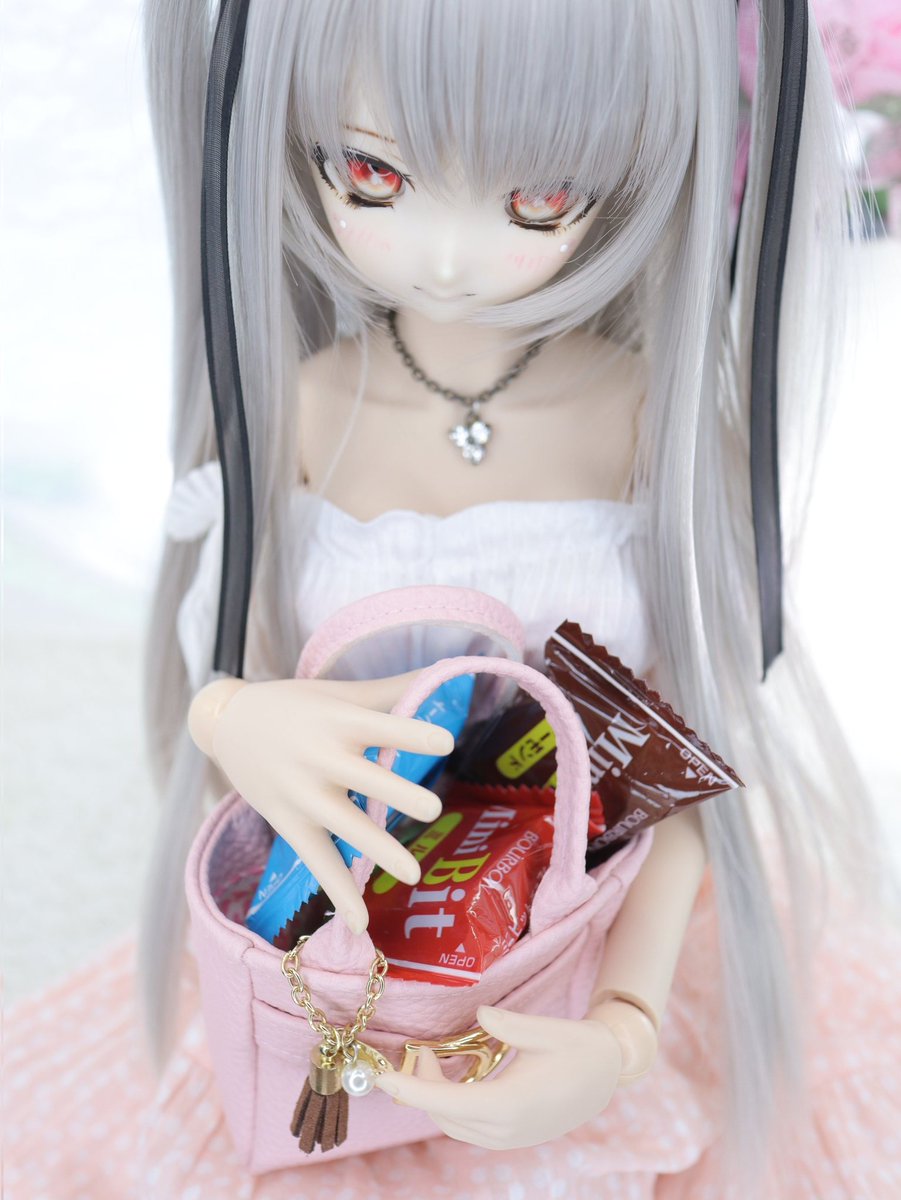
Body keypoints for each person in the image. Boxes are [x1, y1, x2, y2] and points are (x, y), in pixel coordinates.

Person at [5, 1, 898, 1197]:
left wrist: (624, 1027)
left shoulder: (643, 414)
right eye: (372, 174)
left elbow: (672, 765)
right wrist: (231, 717)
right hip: (336, 952)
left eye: (535, 197)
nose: (441, 257)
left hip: (589, 928)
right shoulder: (304, 405)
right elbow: (226, 660)